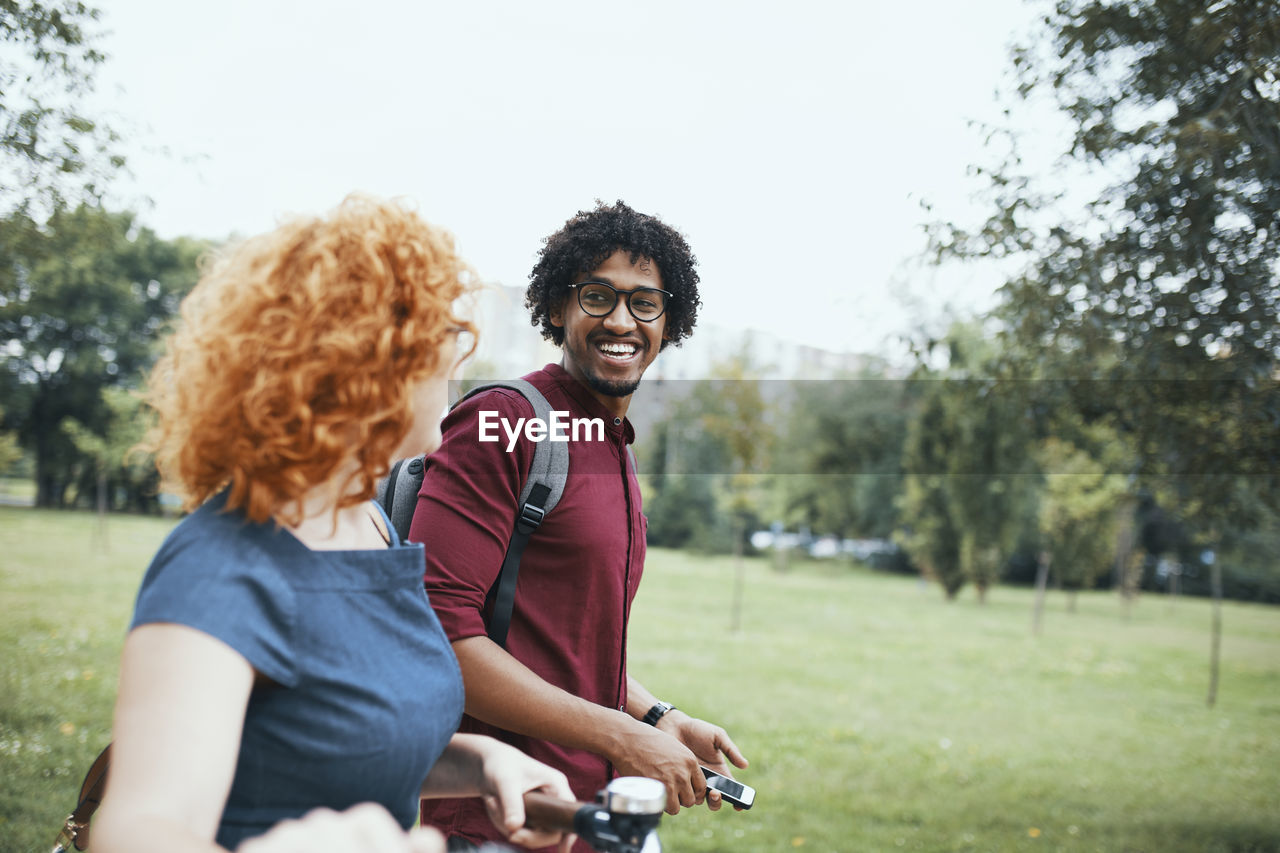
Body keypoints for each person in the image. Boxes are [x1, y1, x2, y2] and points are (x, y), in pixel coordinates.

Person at [93, 196, 575, 853]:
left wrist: (482, 762)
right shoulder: (223, 566)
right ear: (370, 369)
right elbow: (135, 832)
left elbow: (340, 745)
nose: (458, 375)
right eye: (445, 347)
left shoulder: (368, 524)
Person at [413, 201, 748, 851]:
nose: (621, 320)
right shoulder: (507, 422)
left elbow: (567, 643)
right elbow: (439, 632)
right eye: (598, 296)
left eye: (644, 302)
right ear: (559, 308)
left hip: (590, 818)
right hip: (493, 820)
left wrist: (658, 716)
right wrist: (624, 736)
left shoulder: (613, 442)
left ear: (669, 320)